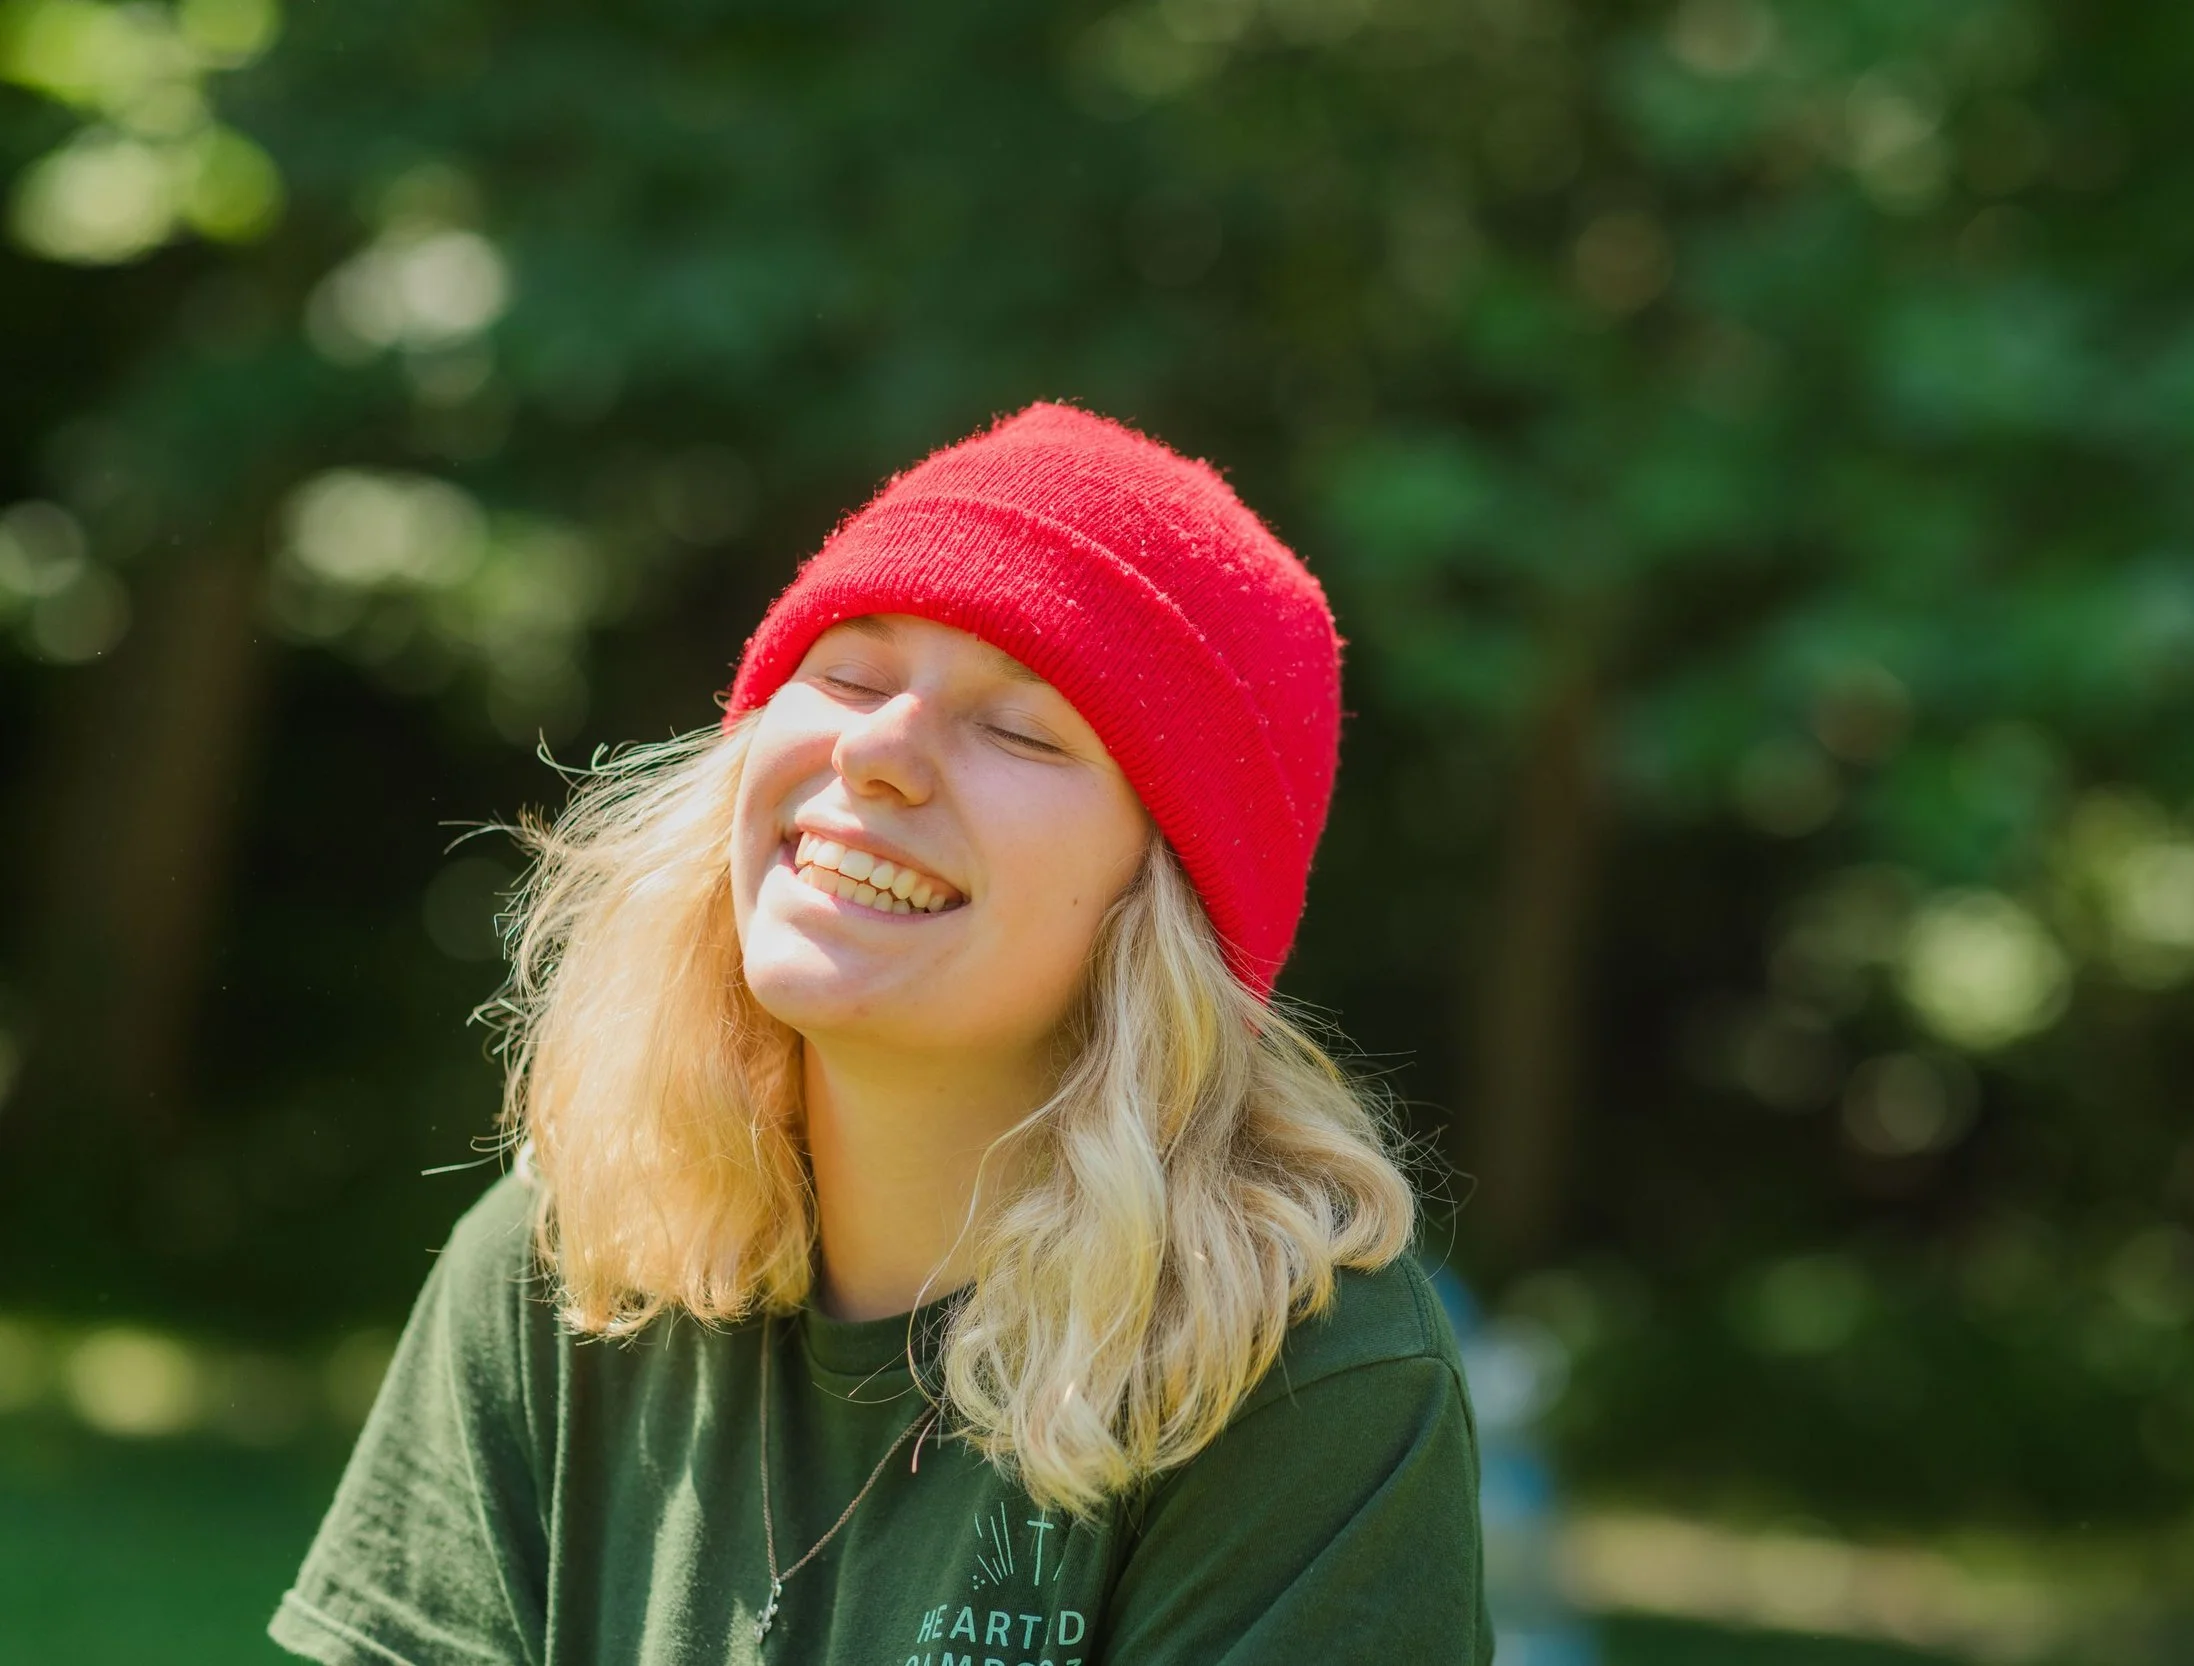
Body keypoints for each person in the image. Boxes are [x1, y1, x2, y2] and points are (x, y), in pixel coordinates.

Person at [268, 401, 1493, 1664]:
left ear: (1163, 905)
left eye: (1021, 727)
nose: (880, 749)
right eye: (847, 672)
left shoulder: (1305, 1380)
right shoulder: (563, 1266)